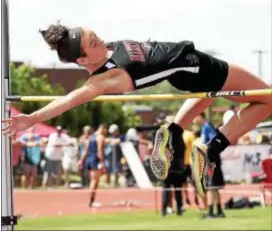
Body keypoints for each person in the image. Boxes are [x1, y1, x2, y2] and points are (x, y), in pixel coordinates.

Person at [2, 23, 272, 197]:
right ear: (82, 59)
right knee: (267, 98)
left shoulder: (104, 54)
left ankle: (174, 131)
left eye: (96, 35)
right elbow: (73, 98)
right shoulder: (105, 79)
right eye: (94, 43)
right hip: (194, 65)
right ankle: (209, 150)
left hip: (184, 69)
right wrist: (32, 119)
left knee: (211, 94)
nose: (102, 42)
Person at [193, 113, 225, 218]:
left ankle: (211, 212)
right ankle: (219, 211)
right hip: (212, 159)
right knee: (214, 187)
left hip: (211, 160)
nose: (193, 120)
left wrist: (205, 149)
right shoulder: (205, 127)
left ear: (200, 117)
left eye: (195, 117)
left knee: (211, 187)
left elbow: (214, 140)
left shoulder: (207, 127)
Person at [78, 124, 107, 207]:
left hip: (89, 160)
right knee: (95, 181)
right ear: (103, 129)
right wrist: (103, 163)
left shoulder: (91, 137)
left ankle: (92, 200)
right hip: (95, 160)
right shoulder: (100, 137)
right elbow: (99, 152)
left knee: (93, 180)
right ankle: (91, 201)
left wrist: (81, 160)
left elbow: (86, 151)